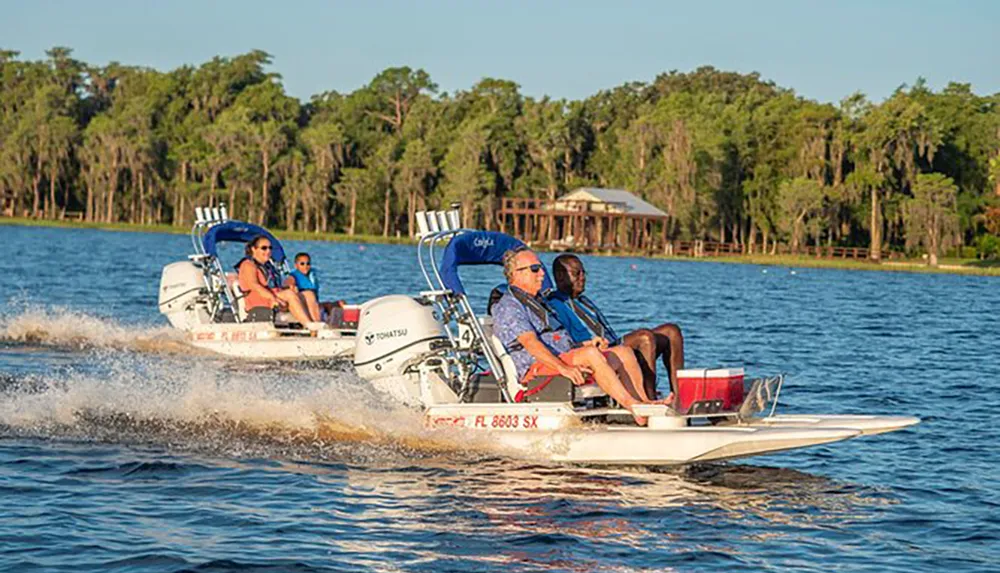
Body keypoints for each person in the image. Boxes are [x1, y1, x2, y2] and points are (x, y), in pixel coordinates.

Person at [491, 247, 655, 425]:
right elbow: (531, 344)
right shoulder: (509, 306)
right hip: (537, 368)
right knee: (591, 355)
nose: (542, 275)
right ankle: (631, 405)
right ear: (516, 273)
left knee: (623, 352)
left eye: (541, 269)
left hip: (563, 358)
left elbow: (557, 339)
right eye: (535, 269)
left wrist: (586, 344)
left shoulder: (539, 302)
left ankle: (643, 406)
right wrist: (563, 368)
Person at [549, 254, 684, 400]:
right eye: (577, 273)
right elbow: (562, 341)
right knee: (645, 337)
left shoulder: (582, 300)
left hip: (611, 346)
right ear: (560, 276)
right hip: (594, 352)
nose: (582, 277)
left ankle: (679, 399)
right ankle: (648, 399)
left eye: (584, 272)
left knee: (671, 331)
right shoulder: (554, 304)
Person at [237, 236, 314, 328]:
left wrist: (289, 288)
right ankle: (310, 327)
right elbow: (254, 285)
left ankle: (316, 325)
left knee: (308, 294)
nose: (268, 251)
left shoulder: (268, 266)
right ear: (254, 249)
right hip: (259, 299)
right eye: (264, 248)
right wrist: (273, 298)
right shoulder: (248, 265)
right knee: (289, 295)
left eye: (270, 248)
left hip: (273, 295)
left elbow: (274, 285)